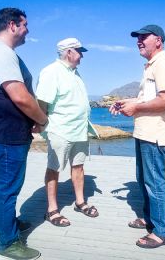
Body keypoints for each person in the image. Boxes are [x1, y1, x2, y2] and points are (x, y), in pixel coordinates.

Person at [0, 7, 46, 260]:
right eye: (25, 24)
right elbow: (20, 96)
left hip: (8, 134)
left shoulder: (5, 53)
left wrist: (33, 119)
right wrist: (43, 119)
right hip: (3, 135)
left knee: (9, 187)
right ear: (12, 25)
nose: (28, 29)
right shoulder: (0, 52)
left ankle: (10, 226)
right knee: (6, 189)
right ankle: (6, 245)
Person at [109, 24, 165, 249]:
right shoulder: (150, 66)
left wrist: (136, 109)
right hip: (144, 132)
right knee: (144, 180)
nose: (138, 41)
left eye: (143, 37)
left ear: (158, 40)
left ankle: (162, 232)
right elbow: (147, 98)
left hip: (155, 134)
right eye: (137, 38)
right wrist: (127, 103)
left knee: (155, 183)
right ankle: (151, 220)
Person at [35, 38, 99, 227]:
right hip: (60, 130)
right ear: (69, 52)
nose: (82, 56)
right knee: (54, 169)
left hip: (79, 129)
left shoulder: (75, 73)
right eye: (80, 51)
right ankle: (52, 210)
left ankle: (80, 202)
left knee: (78, 166)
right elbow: (42, 102)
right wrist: (41, 124)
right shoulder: (50, 72)